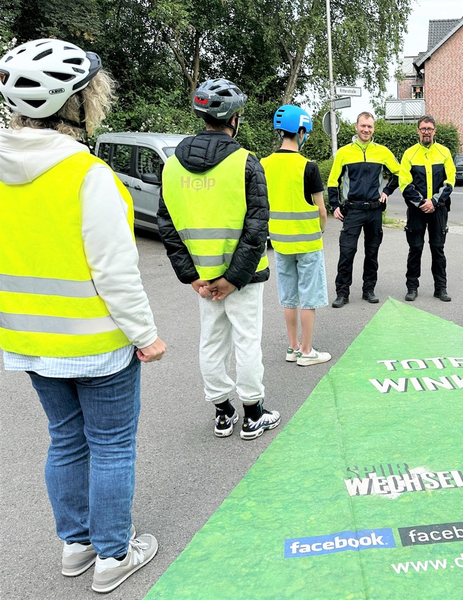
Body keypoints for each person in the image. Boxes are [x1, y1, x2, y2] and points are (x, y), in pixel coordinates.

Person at [0, 39, 164, 593]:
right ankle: (115, 555)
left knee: (65, 440)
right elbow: (115, 275)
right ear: (75, 105)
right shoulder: (88, 176)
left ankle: (76, 545)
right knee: (112, 445)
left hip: (29, 340)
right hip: (97, 343)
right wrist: (147, 336)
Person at [158, 78, 279, 440]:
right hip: (241, 278)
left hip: (203, 280)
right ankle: (253, 413)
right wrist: (235, 277)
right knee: (246, 341)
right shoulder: (245, 163)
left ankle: (223, 413)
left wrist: (191, 276)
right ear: (234, 118)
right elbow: (257, 228)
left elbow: (168, 226)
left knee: (211, 341)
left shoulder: (172, 165)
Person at [261, 105, 332, 367]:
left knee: (289, 297)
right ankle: (307, 350)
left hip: (280, 242)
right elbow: (321, 211)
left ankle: (291, 348)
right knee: (309, 298)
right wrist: (321, 229)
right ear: (300, 131)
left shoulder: (264, 164)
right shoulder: (308, 167)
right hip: (308, 241)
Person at [328, 111, 400, 307]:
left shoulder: (383, 152)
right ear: (356, 127)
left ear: (373, 128)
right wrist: (334, 205)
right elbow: (333, 180)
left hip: (375, 210)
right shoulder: (344, 152)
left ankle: (369, 290)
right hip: (353, 210)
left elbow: (399, 173)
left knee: (372, 252)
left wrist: (386, 191)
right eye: (363, 126)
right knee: (347, 252)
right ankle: (342, 293)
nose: (366, 130)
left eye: (369, 126)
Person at [399, 115, 456, 302]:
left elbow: (450, 181)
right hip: (416, 210)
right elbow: (404, 183)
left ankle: (441, 288)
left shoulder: (444, 152)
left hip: (438, 210)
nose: (426, 132)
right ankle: (412, 288)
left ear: (434, 131)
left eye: (429, 129)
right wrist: (423, 202)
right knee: (415, 249)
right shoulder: (409, 154)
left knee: (438, 249)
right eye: (423, 129)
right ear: (418, 130)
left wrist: (434, 201)